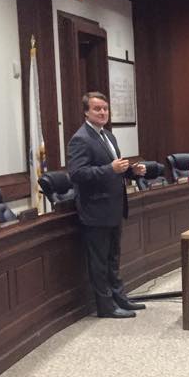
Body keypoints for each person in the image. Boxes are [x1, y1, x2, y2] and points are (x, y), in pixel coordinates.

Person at [67, 92, 146, 319]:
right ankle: (105, 306)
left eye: (105, 109)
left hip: (113, 208)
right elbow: (77, 173)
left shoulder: (108, 136)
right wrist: (110, 169)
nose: (103, 112)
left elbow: (115, 170)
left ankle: (120, 298)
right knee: (99, 262)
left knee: (113, 258)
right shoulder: (80, 138)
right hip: (95, 211)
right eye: (97, 109)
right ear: (86, 112)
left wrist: (132, 171)